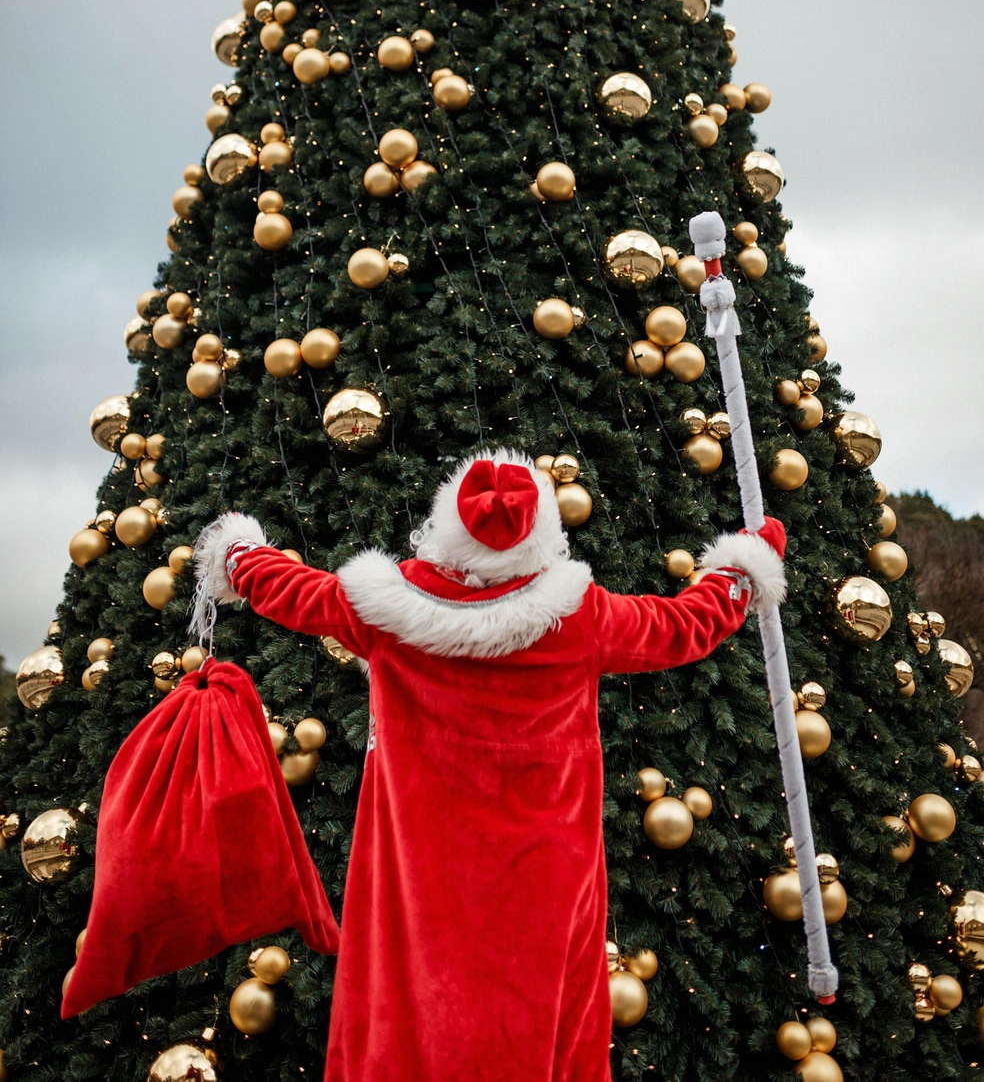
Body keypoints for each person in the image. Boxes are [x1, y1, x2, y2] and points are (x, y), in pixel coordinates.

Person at [195, 449, 787, 1082]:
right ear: (543, 536)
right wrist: (740, 573)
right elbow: (683, 625)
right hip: (545, 873)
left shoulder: (385, 613)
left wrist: (239, 554)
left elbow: (290, 590)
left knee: (411, 1000)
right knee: (535, 1008)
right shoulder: (580, 618)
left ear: (445, 526)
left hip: (418, 870)